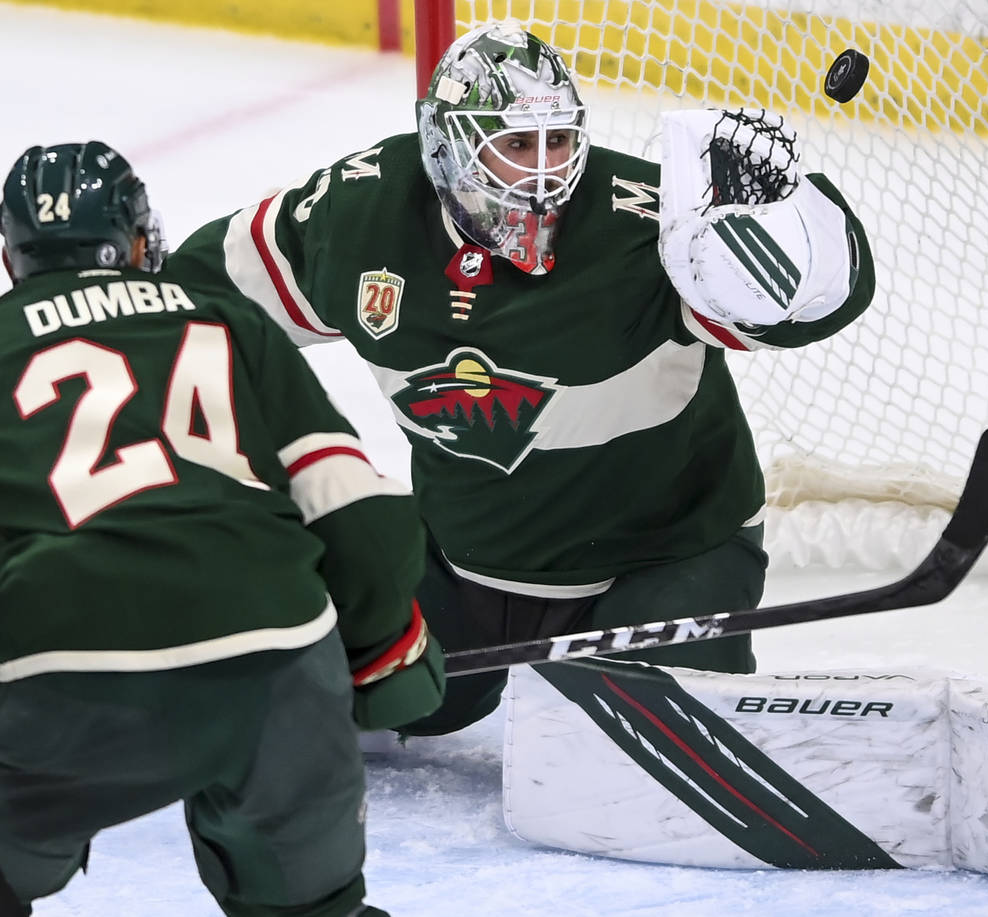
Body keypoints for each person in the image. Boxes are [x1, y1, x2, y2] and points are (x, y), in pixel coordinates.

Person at [168, 20, 875, 738]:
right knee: (358, 695)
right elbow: (197, 296)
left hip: (661, 560)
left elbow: (821, 302)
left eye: (558, 141)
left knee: (646, 741)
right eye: (515, 145)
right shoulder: (362, 215)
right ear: (447, 149)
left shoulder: (650, 231)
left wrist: (792, 230)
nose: (546, 171)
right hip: (464, 561)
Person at [0, 141, 444, 916]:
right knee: (312, 906)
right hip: (269, 651)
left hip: (58, 659)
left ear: (12, 257)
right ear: (140, 241)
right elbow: (352, 509)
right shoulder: (224, 319)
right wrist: (384, 651)